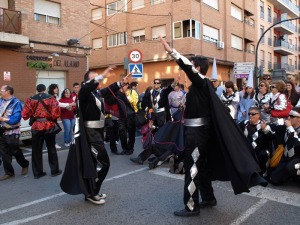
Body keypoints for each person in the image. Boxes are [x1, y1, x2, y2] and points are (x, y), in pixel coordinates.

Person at [160, 36, 267, 217]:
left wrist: (172, 51)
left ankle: (192, 207)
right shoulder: (199, 86)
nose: (185, 70)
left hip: (196, 134)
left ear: (197, 69)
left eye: (191, 66)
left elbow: (188, 67)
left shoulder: (201, 82)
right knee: (201, 166)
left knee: (192, 167)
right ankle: (209, 197)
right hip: (198, 132)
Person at [60, 67, 130, 205]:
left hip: (98, 133)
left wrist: (121, 83)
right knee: (104, 164)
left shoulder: (95, 93)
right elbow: (86, 87)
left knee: (93, 164)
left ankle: (92, 192)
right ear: (87, 82)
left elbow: (108, 89)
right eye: (95, 78)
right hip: (90, 135)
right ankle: (92, 192)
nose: (99, 79)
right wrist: (102, 75)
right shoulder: (84, 93)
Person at [22, 84, 62, 179]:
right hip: (49, 125)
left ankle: (38, 173)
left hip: (36, 126)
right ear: (45, 90)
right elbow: (56, 113)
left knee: (36, 150)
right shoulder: (51, 98)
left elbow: (24, 114)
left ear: (37, 90)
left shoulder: (30, 99)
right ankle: (54, 171)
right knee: (51, 148)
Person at [0, 85, 29, 181]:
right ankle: (9, 173)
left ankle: (24, 164)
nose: (0, 91)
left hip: (12, 131)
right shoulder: (0, 101)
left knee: (15, 150)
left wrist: (3, 118)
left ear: (7, 91)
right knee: (4, 153)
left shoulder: (16, 103)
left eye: (2, 90)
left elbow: (15, 119)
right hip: (2, 131)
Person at [268, 106, 300, 185]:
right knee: (274, 179)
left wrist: (290, 127)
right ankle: (290, 175)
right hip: (286, 157)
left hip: (298, 157)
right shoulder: (286, 127)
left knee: (291, 167)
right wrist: (265, 127)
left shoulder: (290, 128)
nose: (288, 118)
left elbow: (297, 143)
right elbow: (272, 128)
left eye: (292, 116)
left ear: (299, 118)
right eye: (288, 116)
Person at [238, 107, 272, 177]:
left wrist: (264, 129)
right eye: (249, 114)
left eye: (253, 114)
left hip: (259, 149)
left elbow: (271, 137)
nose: (250, 116)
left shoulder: (264, 125)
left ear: (258, 115)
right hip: (246, 148)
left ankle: (263, 172)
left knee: (264, 154)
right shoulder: (245, 123)